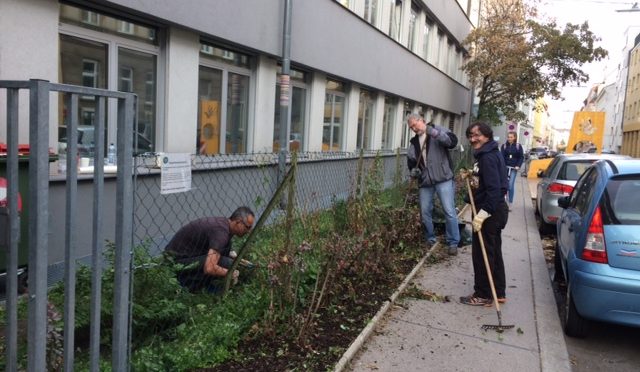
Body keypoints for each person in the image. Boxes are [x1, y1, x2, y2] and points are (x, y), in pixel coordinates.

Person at [460, 122, 509, 306]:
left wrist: (482, 214)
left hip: (490, 212)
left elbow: (495, 189)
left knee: (482, 255)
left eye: (476, 135)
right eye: (470, 136)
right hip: (495, 210)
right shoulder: (489, 154)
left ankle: (483, 295)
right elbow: (487, 179)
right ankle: (498, 292)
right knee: (493, 252)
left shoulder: (487, 157)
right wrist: (472, 174)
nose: (473, 139)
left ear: (487, 135)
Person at [164, 206, 255, 292]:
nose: (249, 231)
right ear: (238, 222)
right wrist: (231, 273)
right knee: (227, 263)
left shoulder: (224, 224)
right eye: (247, 227)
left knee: (227, 253)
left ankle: (205, 283)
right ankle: (191, 286)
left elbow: (220, 249)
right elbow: (209, 268)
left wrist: (238, 259)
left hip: (185, 256)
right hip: (175, 262)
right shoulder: (221, 233)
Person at [406, 113, 460, 256]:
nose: (413, 128)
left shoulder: (437, 130)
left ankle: (453, 241)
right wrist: (413, 171)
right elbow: (411, 161)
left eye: (414, 125)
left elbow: (452, 142)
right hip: (426, 182)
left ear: (421, 120)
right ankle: (430, 239)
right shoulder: (414, 142)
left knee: (449, 211)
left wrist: (433, 133)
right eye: (411, 127)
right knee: (425, 212)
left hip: (443, 178)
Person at [500, 132, 524, 210]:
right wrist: (502, 165)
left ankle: (510, 202)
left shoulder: (518, 146)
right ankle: (503, 202)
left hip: (513, 168)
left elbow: (521, 157)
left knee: (510, 185)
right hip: (505, 168)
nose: (509, 138)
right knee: (504, 184)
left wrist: (518, 166)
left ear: (514, 138)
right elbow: (501, 157)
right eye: (508, 137)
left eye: (511, 137)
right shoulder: (504, 146)